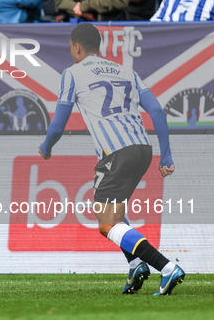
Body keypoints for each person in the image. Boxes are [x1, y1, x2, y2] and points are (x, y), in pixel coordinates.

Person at [39, 23, 185, 296]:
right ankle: (136, 265)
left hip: (115, 153)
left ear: (77, 46)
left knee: (106, 224)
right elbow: (157, 111)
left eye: (71, 48)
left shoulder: (72, 73)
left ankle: (166, 268)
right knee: (117, 214)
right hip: (143, 149)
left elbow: (58, 125)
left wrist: (46, 147)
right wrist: (166, 155)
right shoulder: (126, 71)